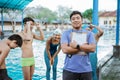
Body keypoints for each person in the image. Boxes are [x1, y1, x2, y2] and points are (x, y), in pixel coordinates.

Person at [60, 11, 96, 80]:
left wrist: (77, 46)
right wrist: (85, 47)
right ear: (71, 21)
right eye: (73, 19)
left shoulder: (89, 34)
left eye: (78, 18)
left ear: (82, 20)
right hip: (69, 69)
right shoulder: (66, 33)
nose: (75, 20)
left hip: (86, 70)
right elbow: (65, 50)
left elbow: (92, 49)